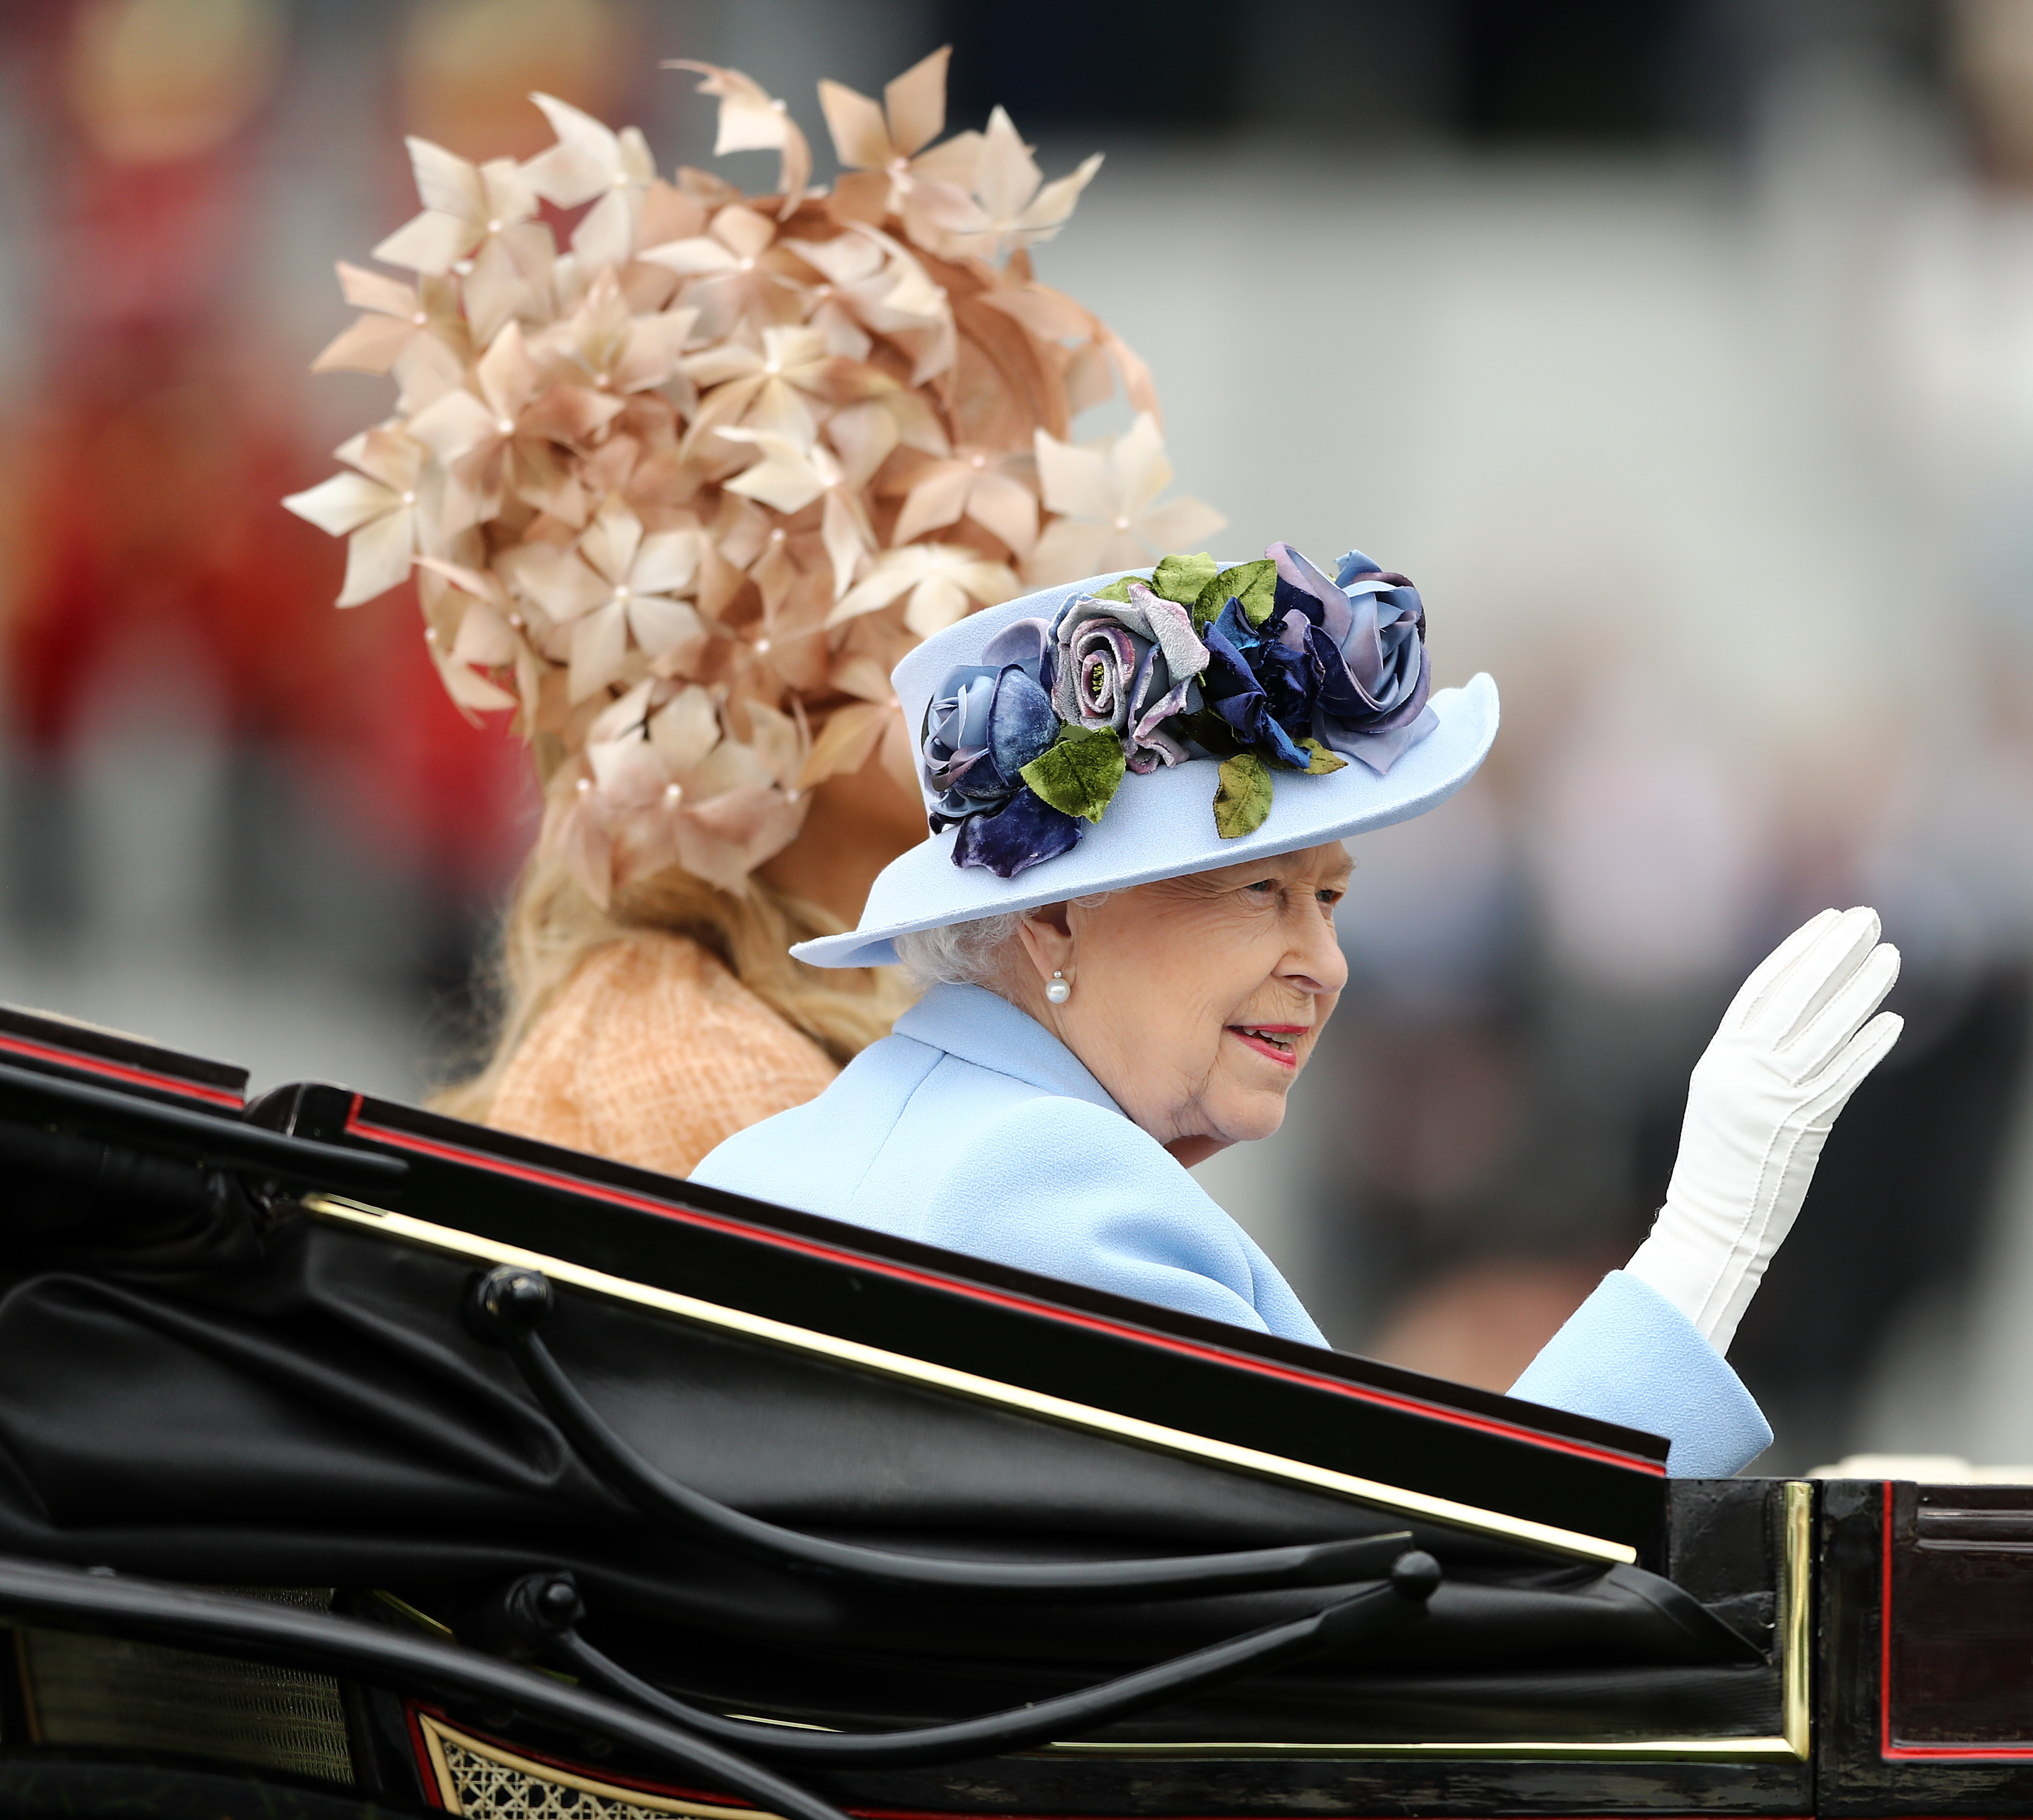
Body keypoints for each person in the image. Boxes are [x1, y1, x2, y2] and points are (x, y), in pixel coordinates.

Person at [695, 549, 1903, 1473]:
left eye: (1328, 899)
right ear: (1056, 923)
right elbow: (1425, 1608)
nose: (1322, 962)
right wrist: (1707, 1243)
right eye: (1259, 892)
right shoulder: (1055, 1190)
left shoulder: (768, 1158)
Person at [284, 46, 1214, 1176]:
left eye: (1010, 555)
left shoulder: (791, 1039)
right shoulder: (706, 1077)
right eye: (919, 561)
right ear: (724, 658)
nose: (1004, 630)